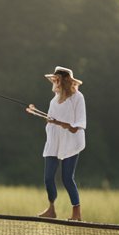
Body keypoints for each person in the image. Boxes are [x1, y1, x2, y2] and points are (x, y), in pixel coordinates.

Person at [27, 65, 86, 221]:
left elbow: (77, 125)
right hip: (55, 141)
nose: (55, 82)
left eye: (57, 79)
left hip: (71, 141)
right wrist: (34, 111)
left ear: (65, 80)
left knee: (67, 178)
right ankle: (51, 209)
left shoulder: (78, 97)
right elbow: (50, 120)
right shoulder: (54, 100)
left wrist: (65, 124)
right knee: (48, 178)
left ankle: (76, 213)